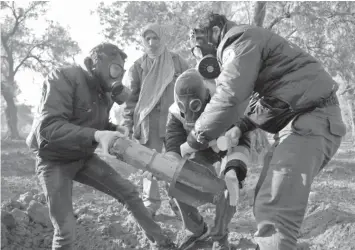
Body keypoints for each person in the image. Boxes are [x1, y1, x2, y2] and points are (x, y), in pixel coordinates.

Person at [182, 13, 347, 250]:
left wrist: (194, 139)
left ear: (216, 32)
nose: (201, 58)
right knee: (264, 196)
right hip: (299, 121)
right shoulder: (249, 42)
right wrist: (240, 127)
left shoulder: (237, 40)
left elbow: (229, 97)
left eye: (199, 49)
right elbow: (273, 96)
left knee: (275, 208)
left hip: (312, 120)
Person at [26, 43, 176, 250]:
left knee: (129, 193)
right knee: (65, 229)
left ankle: (163, 243)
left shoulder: (105, 93)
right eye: (114, 68)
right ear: (91, 64)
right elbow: (49, 128)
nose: (118, 76)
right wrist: (98, 135)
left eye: (121, 71)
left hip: (83, 157)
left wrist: (114, 128)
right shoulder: (64, 77)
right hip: (54, 160)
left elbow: (94, 123)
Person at [165, 69, 251, 250]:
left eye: (195, 105)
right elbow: (173, 143)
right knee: (176, 178)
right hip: (200, 150)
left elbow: (243, 139)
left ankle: (220, 238)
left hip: (229, 147)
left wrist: (234, 168)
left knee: (229, 188)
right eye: (184, 107)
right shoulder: (174, 113)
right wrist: (169, 164)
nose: (189, 112)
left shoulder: (228, 102)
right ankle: (196, 230)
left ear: (206, 99)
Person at [121, 23, 189, 217]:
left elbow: (191, 89)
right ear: (143, 41)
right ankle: (150, 205)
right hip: (148, 123)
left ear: (162, 39)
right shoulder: (138, 66)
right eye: (148, 39)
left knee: (175, 164)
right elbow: (131, 100)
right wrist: (127, 124)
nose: (151, 43)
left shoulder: (177, 62)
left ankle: (180, 205)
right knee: (149, 164)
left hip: (175, 123)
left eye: (155, 38)